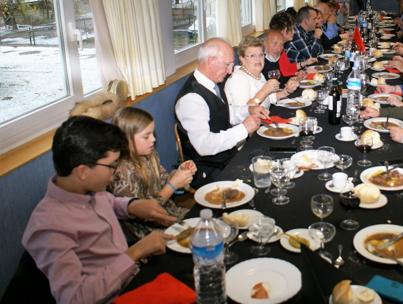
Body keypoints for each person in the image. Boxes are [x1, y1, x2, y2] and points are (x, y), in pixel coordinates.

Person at [22, 116, 176, 303]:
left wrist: (133, 206)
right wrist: (135, 253)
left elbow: (110, 202)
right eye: (112, 165)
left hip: (135, 278)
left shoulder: (89, 189)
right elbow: (74, 298)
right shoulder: (49, 226)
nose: (116, 172)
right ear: (83, 171)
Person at [175, 38, 267, 187]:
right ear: (211, 60)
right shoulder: (191, 99)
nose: (230, 70)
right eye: (227, 64)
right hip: (210, 169)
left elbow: (224, 113)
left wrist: (249, 110)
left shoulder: (213, 84)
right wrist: (244, 129)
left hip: (227, 157)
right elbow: (204, 145)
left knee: (269, 159)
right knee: (263, 177)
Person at [109, 107, 196, 240]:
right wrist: (173, 185)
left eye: (153, 133)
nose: (153, 139)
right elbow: (146, 213)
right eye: (146, 136)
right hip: (148, 233)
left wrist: (178, 174)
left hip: (170, 212)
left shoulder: (149, 154)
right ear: (126, 140)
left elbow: (163, 180)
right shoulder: (121, 173)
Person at [225, 36, 299, 115]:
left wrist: (287, 90)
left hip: (263, 119)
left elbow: (269, 98)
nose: (258, 59)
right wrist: (264, 90)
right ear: (242, 59)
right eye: (252, 56)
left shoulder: (257, 74)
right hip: (250, 125)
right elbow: (243, 113)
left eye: (261, 55)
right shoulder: (238, 79)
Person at [269, 11, 317, 79]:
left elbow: (287, 68)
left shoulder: (280, 46)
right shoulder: (275, 49)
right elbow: (284, 74)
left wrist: (304, 63)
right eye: (292, 29)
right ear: (285, 31)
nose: (294, 32)